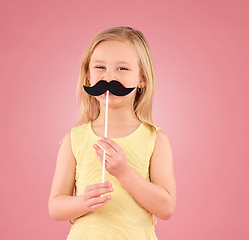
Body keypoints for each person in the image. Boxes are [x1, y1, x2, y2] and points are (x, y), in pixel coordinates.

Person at [48, 26, 176, 240]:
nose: (109, 78)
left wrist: (124, 173)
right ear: (88, 76)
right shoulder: (75, 139)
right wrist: (82, 203)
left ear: (142, 79)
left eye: (122, 69)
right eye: (100, 67)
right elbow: (55, 207)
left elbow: (166, 208)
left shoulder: (155, 140)